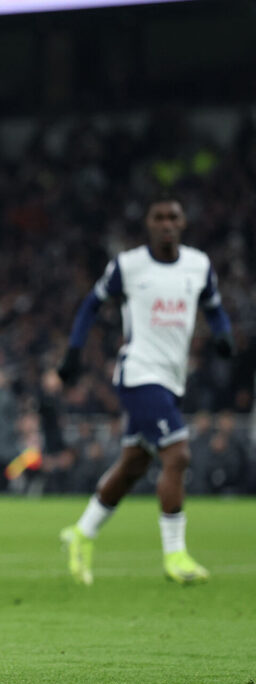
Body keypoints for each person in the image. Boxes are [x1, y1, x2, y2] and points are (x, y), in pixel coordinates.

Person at [57, 195, 234, 585]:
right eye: (159, 217)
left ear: (183, 222)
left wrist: (222, 334)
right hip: (138, 373)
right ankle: (176, 556)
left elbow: (215, 305)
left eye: (174, 216)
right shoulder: (129, 265)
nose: (167, 223)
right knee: (178, 453)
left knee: (134, 464)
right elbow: (91, 304)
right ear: (149, 224)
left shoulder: (198, 265)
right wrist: (73, 352)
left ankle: (81, 533)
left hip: (172, 379)